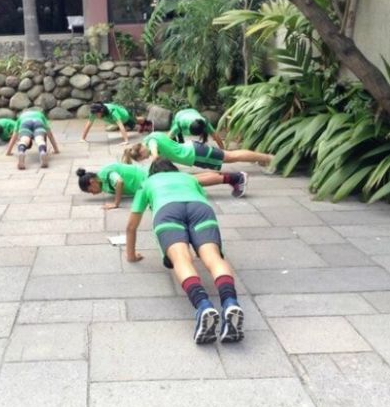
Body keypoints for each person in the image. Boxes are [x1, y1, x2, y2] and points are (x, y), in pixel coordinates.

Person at [125, 158, 244, 344]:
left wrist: (131, 255)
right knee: (212, 256)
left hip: (167, 211)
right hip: (201, 209)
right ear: (173, 169)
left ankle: (203, 305)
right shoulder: (188, 178)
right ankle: (230, 302)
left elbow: (131, 226)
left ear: (152, 173)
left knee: (181, 259)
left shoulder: (147, 183)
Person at [76, 164, 248, 209]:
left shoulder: (105, 174)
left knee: (193, 180)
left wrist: (116, 203)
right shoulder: (104, 183)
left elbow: (119, 182)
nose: (93, 194)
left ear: (92, 182)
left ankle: (235, 177)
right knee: (190, 179)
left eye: (90, 191)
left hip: (152, 177)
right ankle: (232, 177)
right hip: (150, 178)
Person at [122, 132, 273, 169]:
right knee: (230, 157)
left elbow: (155, 156)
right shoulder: (150, 137)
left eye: (143, 158)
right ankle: (264, 158)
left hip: (194, 153)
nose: (146, 158)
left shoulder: (152, 142)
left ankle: (267, 158)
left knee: (231, 157)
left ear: (141, 151)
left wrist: (151, 170)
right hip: (193, 151)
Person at [80, 102, 151, 145]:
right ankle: (141, 126)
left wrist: (126, 141)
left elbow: (121, 125)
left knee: (136, 121)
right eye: (94, 113)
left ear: (101, 111)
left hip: (125, 116)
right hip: (114, 121)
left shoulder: (112, 112)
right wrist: (83, 138)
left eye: (96, 114)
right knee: (132, 126)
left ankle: (149, 122)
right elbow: (88, 124)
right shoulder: (94, 112)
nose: (95, 115)